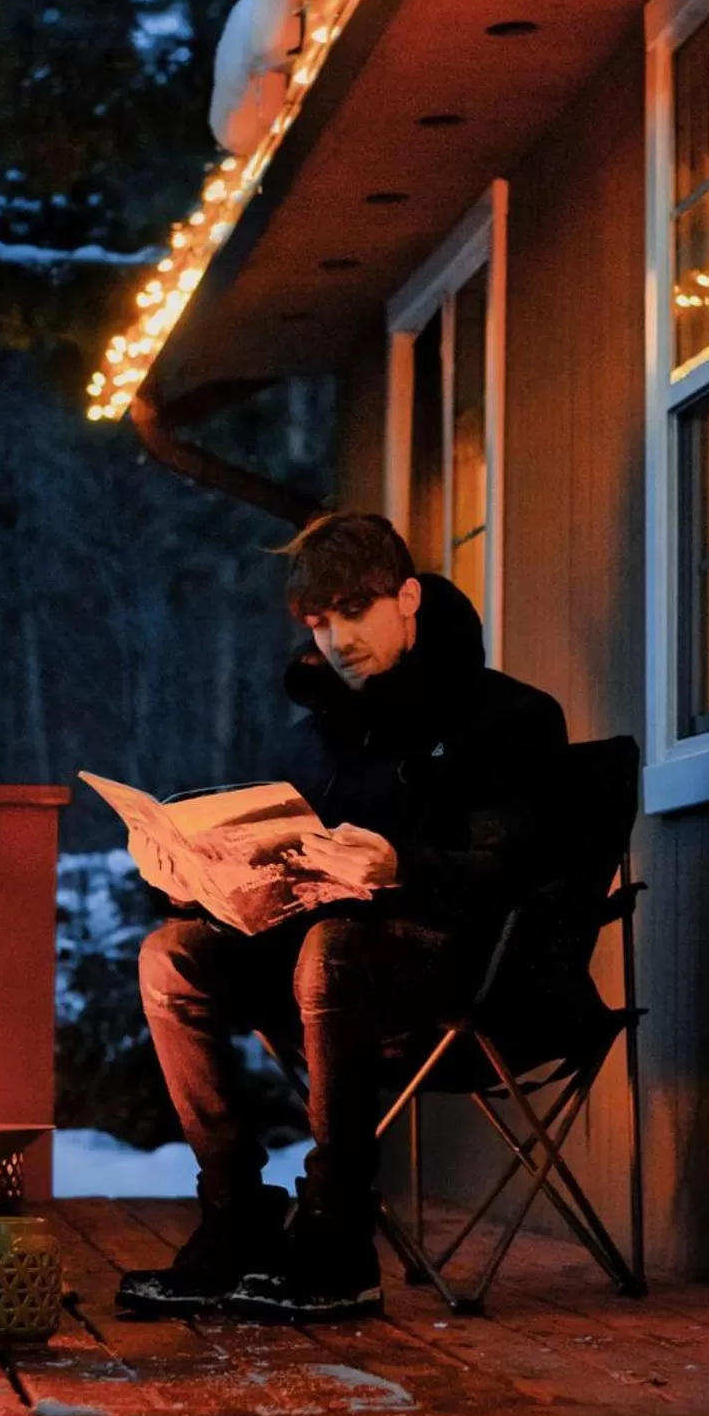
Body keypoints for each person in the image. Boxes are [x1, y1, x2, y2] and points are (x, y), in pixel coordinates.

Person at [117, 510, 567, 1323]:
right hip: (317, 977)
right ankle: (237, 1215)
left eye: (353, 612)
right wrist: (186, 879)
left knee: (333, 947)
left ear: (406, 598)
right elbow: (271, 872)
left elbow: (519, 876)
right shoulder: (308, 743)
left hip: (466, 975)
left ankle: (336, 1230)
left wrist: (403, 866)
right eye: (319, 623)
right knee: (171, 952)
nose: (335, 639)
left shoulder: (509, 720)